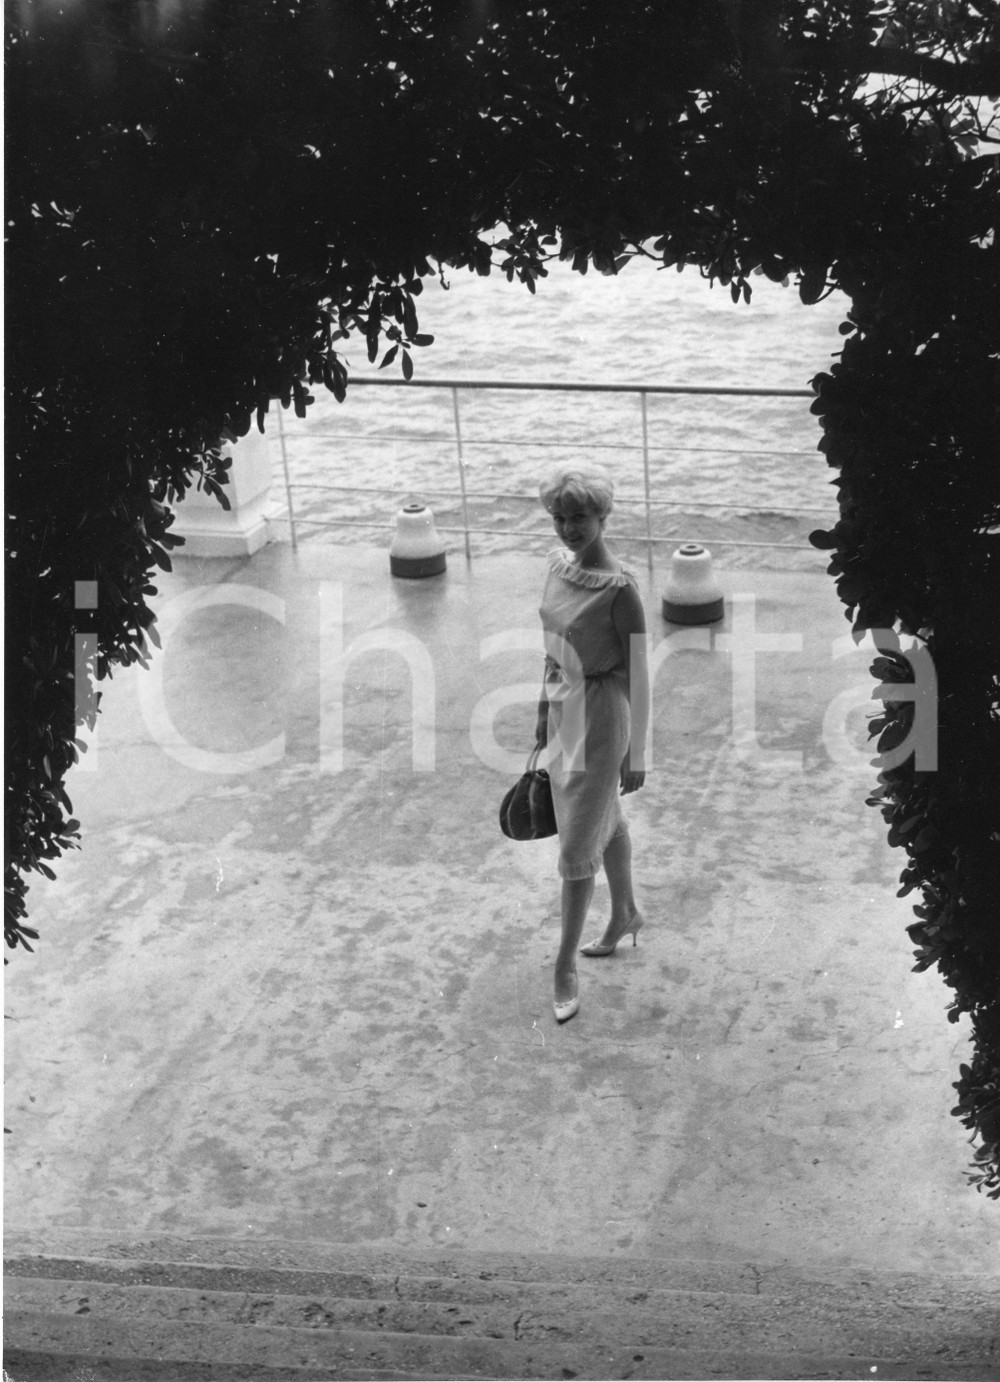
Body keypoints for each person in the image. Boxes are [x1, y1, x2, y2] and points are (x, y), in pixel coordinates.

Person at [535, 466, 650, 1024]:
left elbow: (641, 675)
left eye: (579, 516)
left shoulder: (620, 588)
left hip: (603, 717)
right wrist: (541, 712)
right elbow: (552, 647)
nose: (568, 528)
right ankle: (625, 911)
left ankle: (564, 965)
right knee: (605, 817)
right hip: (563, 706)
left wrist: (638, 752)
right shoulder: (557, 569)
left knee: (578, 838)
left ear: (603, 517)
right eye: (559, 517)